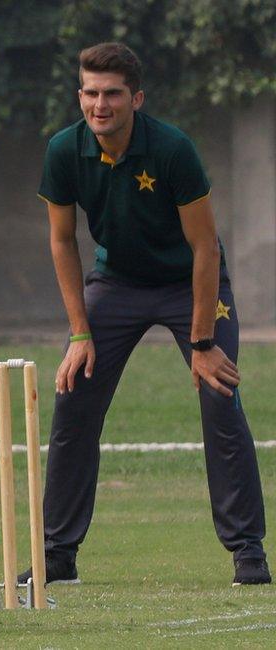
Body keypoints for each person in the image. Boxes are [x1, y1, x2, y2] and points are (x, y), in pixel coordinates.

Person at [25, 42, 269, 587]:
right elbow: (63, 242)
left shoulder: (173, 149)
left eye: (112, 94)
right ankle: (57, 554)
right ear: (79, 96)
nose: (100, 105)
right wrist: (79, 333)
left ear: (136, 98)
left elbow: (205, 247)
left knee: (220, 397)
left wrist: (204, 343)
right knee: (74, 395)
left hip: (192, 285)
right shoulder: (65, 150)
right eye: (90, 93)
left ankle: (248, 550)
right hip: (116, 284)